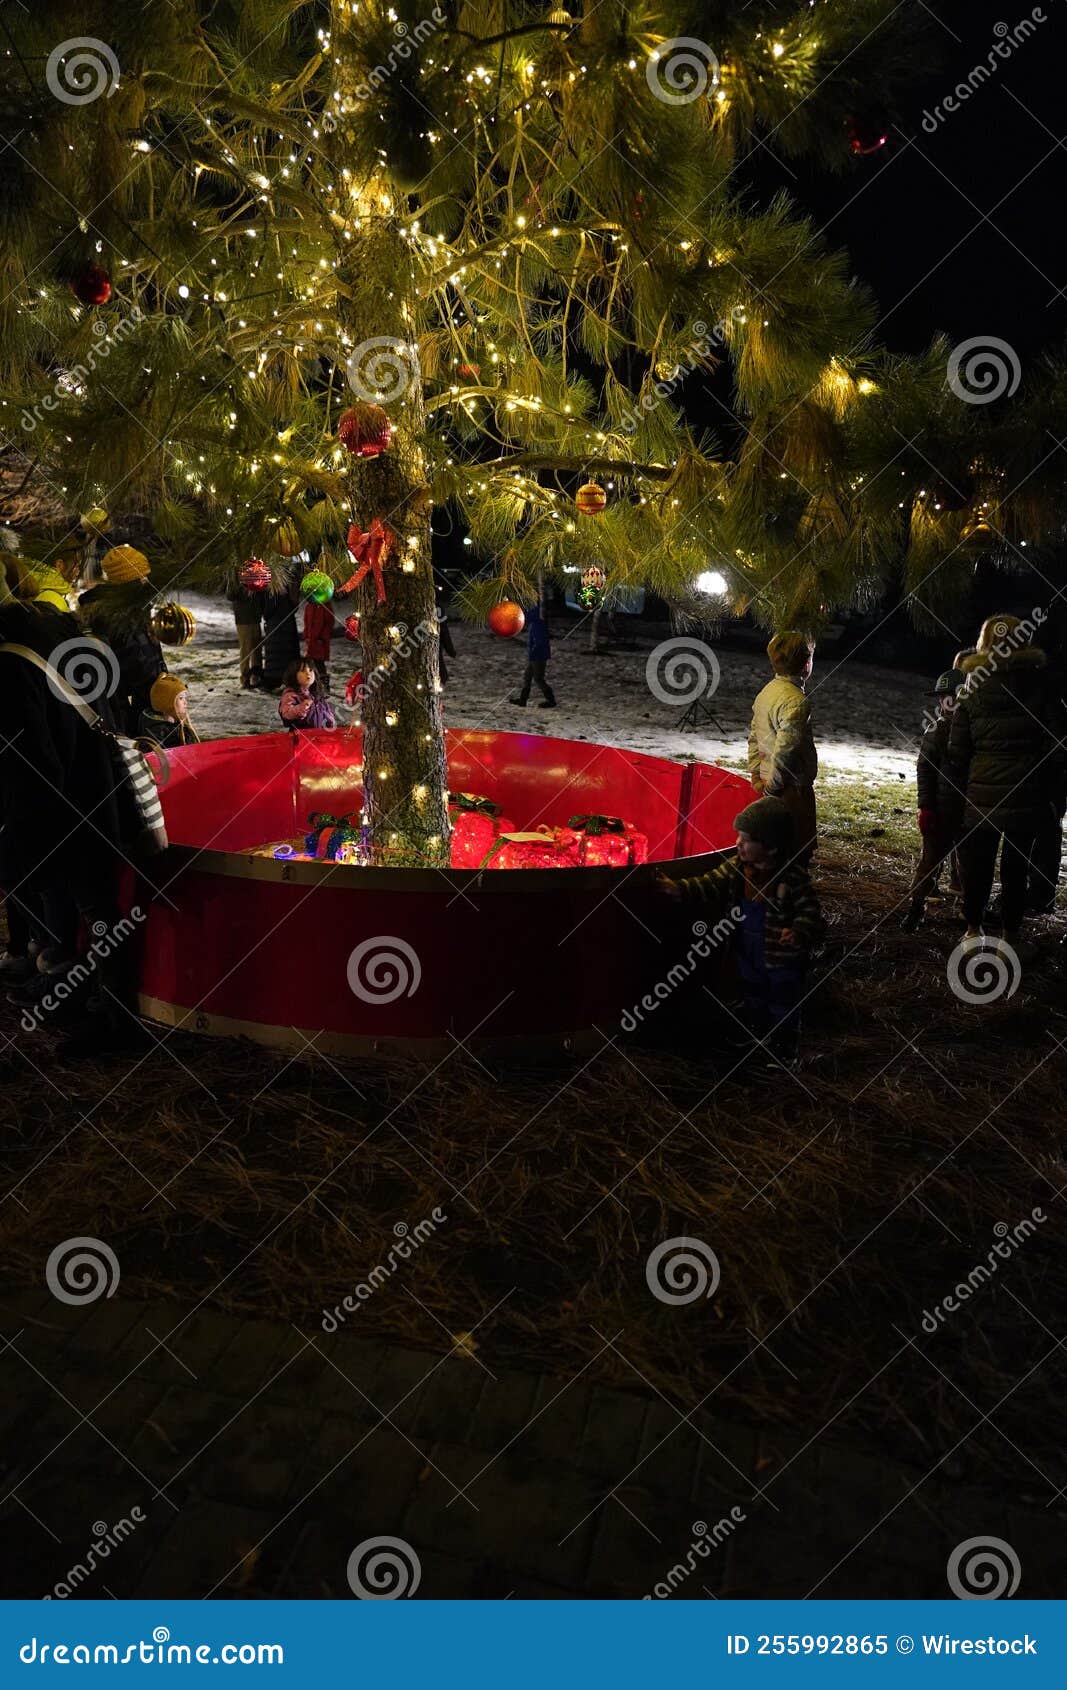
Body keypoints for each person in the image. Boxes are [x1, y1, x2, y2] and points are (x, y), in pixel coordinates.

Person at [659, 796, 823, 1067]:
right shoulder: (738, 868)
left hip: (780, 956)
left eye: (746, 839)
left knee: (782, 999)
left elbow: (810, 912)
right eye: (739, 837)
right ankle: (757, 1036)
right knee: (752, 992)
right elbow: (710, 883)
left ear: (770, 847)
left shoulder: (792, 879)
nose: (738, 843)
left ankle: (784, 1048)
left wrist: (798, 931)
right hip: (748, 948)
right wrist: (681, 889)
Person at [949, 615, 1063, 952]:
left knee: (978, 865)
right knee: (1017, 867)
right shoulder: (1041, 686)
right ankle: (1011, 933)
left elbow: (959, 749)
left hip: (981, 795)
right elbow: (1056, 744)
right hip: (1027, 794)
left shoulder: (972, 687)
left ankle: (973, 927)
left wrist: (959, 792)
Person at [901, 669, 965, 932]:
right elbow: (925, 771)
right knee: (929, 862)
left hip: (968, 809)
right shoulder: (937, 731)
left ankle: (970, 916)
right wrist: (926, 807)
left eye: (949, 696)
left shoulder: (972, 729)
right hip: (942, 809)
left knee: (969, 865)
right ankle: (915, 908)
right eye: (942, 697)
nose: (944, 702)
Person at [77, 544, 165, 733]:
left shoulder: (129, 608)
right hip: (129, 706)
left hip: (131, 701)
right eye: (142, 576)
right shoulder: (119, 615)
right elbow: (135, 661)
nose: (146, 580)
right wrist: (160, 683)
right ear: (129, 581)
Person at [748, 630, 818, 861]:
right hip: (790, 789)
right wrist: (773, 788)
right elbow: (786, 751)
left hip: (768, 781)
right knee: (794, 852)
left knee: (771, 850)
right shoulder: (796, 702)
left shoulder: (766, 692)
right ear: (806, 664)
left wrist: (756, 774)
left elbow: (754, 736)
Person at [509, 599, 556, 708]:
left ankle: (551, 701)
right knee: (528, 676)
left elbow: (526, 618)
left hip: (538, 653)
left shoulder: (537, 621)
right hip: (537, 653)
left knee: (538, 678)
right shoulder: (538, 619)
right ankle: (523, 700)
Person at [140, 673, 199, 747]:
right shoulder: (156, 730)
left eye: (185, 697)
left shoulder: (181, 724)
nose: (185, 702)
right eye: (181, 698)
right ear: (166, 702)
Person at [228, 580, 267, 689]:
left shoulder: (256, 572)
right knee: (246, 648)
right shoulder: (235, 576)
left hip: (255, 617)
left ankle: (256, 675)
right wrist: (242, 586)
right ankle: (245, 678)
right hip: (243, 618)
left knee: (257, 648)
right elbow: (230, 595)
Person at [279, 658, 335, 729]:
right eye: (303, 671)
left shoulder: (317, 696)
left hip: (319, 736)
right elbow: (287, 714)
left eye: (310, 670)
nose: (308, 673)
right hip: (300, 736)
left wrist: (330, 723)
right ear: (293, 675)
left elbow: (327, 714)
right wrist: (303, 707)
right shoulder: (290, 695)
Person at [303, 595, 336, 694]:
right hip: (312, 640)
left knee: (319, 663)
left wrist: (323, 637)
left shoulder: (325, 606)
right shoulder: (309, 606)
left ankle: (324, 685)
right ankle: (315, 684)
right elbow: (307, 622)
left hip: (320, 641)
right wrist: (306, 635)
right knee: (311, 662)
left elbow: (329, 623)